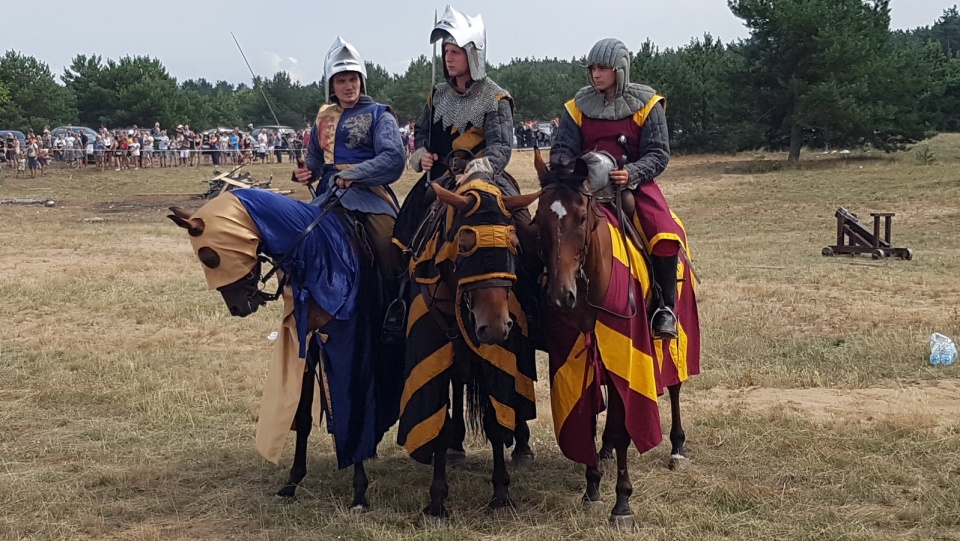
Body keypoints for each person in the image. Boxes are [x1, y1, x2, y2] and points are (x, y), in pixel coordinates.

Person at [550, 38, 682, 339]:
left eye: (603, 68)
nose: (596, 74)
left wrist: (632, 172)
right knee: (549, 225)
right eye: (593, 68)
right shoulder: (577, 106)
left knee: (664, 234)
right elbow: (561, 149)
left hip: (630, 186)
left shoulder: (648, 105)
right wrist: (567, 168)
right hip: (584, 186)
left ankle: (664, 308)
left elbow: (659, 153)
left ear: (619, 70)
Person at [393, 4, 518, 252]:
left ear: (473, 55)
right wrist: (422, 153)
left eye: (456, 52)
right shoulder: (437, 95)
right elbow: (422, 132)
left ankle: (530, 286)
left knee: (522, 226)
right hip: (440, 176)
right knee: (405, 227)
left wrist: (473, 172)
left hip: (486, 178)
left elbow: (500, 148)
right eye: (446, 51)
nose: (449, 58)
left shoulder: (495, 97)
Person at [292, 36, 405, 291]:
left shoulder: (379, 113)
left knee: (388, 240)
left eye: (353, 79)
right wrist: (307, 171)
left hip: (368, 194)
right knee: (299, 239)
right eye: (341, 80)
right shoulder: (324, 117)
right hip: (329, 194)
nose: (348, 86)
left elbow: (394, 157)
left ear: (361, 80)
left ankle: (395, 302)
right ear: (332, 85)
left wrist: (356, 174)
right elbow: (316, 158)